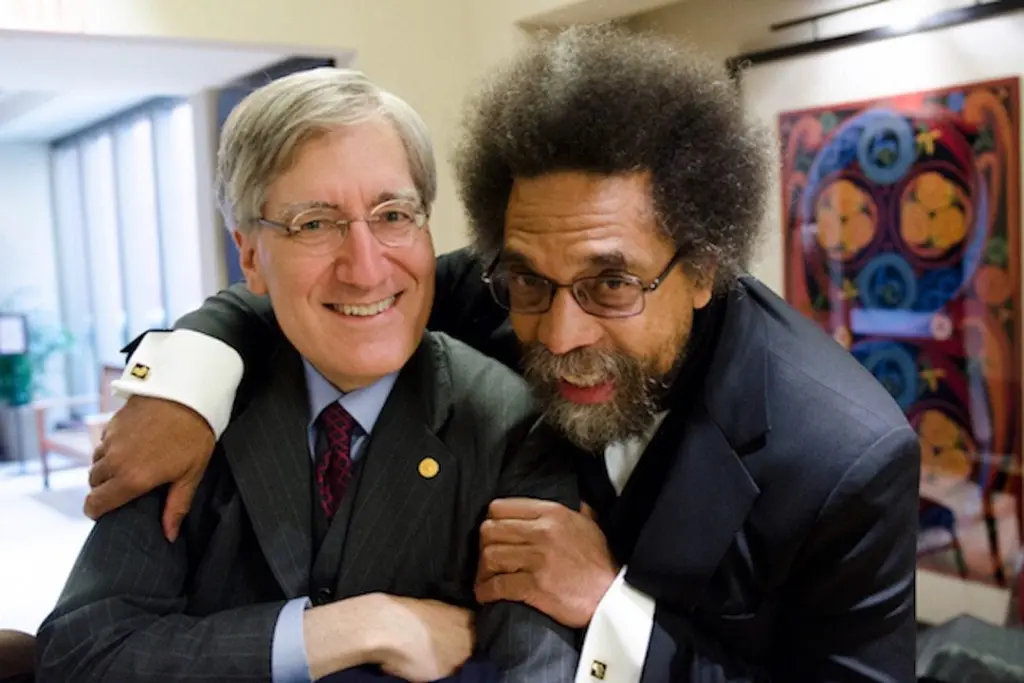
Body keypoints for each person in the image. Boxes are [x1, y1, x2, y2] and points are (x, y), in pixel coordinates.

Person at [85, 26, 920, 683]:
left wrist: (610, 607)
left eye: (612, 284)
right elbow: (318, 296)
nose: (559, 336)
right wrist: (186, 381)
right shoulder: (496, 284)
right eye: (528, 282)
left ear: (703, 266)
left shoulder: (844, 457)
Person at [35, 67, 581, 683]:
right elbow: (82, 657)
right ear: (249, 256)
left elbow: (534, 669)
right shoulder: (190, 414)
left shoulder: (515, 424)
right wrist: (363, 627)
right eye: (314, 224)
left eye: (393, 214)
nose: (365, 268)